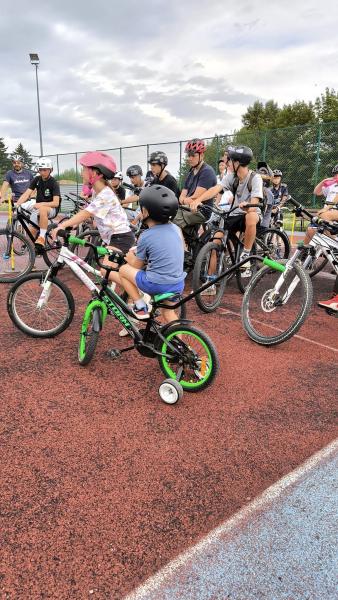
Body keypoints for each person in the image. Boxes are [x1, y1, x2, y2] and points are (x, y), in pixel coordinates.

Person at [109, 185, 185, 323]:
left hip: (156, 284)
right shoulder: (176, 228)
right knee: (168, 313)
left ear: (145, 211)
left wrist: (131, 258)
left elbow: (137, 266)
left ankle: (140, 305)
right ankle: (177, 344)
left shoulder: (146, 235)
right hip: (178, 283)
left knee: (124, 270)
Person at [195, 145, 263, 277]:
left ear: (238, 162)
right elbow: (215, 189)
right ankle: (210, 282)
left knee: (251, 216)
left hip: (250, 214)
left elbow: (255, 203)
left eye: (229, 160)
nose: (226, 163)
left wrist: (248, 205)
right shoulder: (232, 177)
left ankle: (246, 255)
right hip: (234, 214)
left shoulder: (255, 178)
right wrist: (198, 200)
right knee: (215, 242)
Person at [53, 151, 135, 254]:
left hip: (121, 239)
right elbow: (90, 212)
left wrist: (63, 225)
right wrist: (74, 224)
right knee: (106, 270)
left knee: (107, 270)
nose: (81, 174)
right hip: (115, 238)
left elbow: (87, 213)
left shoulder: (106, 194)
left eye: (84, 169)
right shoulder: (97, 192)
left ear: (95, 173)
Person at [173, 138, 217, 234]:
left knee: (173, 219)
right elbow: (182, 196)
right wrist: (185, 200)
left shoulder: (207, 171)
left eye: (193, 155)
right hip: (187, 208)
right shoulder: (191, 172)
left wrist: (185, 200)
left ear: (202, 155)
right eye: (189, 155)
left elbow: (195, 198)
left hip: (202, 211)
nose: (190, 158)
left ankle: (182, 249)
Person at [16, 157, 60, 247]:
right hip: (38, 208)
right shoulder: (37, 179)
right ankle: (36, 248)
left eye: (45, 170)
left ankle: (42, 237)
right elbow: (26, 194)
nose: (42, 172)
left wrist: (41, 204)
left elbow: (56, 203)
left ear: (50, 170)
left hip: (51, 209)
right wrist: (17, 204)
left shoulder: (54, 183)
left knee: (43, 209)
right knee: (31, 231)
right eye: (40, 170)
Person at [303, 164, 338, 245]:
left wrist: (326, 208)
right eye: (335, 174)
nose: (336, 176)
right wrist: (324, 181)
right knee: (310, 230)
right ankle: (303, 253)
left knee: (325, 218)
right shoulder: (332, 185)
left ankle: (334, 241)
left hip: (333, 213)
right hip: (326, 213)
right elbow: (316, 192)